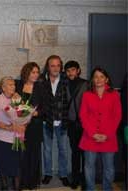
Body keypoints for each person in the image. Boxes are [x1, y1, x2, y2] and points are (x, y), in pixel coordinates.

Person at [79, 67, 122, 191]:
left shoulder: (114, 95)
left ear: (106, 79)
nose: (98, 79)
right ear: (92, 79)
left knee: (109, 167)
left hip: (108, 137)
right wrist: (93, 133)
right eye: (96, 76)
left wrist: (107, 134)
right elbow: (83, 116)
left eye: (101, 76)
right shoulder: (87, 95)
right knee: (89, 167)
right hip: (90, 136)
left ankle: (107, 188)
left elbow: (117, 116)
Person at [0, 76, 26, 191]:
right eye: (10, 84)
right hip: (1, 139)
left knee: (17, 166)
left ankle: (17, 188)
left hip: (17, 139)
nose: (13, 86)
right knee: (3, 166)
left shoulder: (18, 98)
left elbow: (25, 116)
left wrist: (20, 103)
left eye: (14, 84)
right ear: (3, 88)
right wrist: (7, 127)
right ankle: (4, 186)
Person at [40, 55, 70, 186]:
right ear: (48, 67)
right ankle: (48, 173)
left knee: (63, 149)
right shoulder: (41, 80)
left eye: (58, 65)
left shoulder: (66, 79)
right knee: (47, 150)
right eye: (52, 65)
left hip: (62, 121)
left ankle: (63, 174)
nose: (55, 68)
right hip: (47, 121)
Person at [15, 62, 43, 190]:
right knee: (21, 154)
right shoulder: (17, 85)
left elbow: (46, 107)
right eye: (33, 72)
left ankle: (32, 182)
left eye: (37, 72)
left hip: (35, 126)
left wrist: (35, 112)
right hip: (19, 126)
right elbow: (15, 105)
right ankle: (21, 181)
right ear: (26, 72)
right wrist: (26, 112)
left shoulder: (41, 87)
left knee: (33, 154)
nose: (36, 75)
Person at [64, 60, 88, 189]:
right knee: (75, 153)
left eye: (73, 70)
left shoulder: (86, 84)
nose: (70, 73)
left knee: (85, 154)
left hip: (84, 125)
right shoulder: (65, 85)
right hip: (72, 124)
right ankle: (75, 179)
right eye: (68, 71)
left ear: (78, 70)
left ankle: (85, 180)